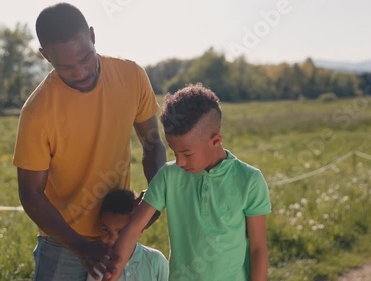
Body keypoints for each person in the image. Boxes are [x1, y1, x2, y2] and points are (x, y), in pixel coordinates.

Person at [12, 3, 166, 281]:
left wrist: (154, 199)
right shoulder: (37, 112)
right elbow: (30, 193)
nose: (81, 72)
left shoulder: (131, 76)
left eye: (85, 58)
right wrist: (80, 246)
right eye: (66, 67)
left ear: (93, 36)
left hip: (117, 233)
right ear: (45, 56)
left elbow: (153, 143)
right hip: (62, 242)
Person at [110, 84, 272, 281]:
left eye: (187, 153)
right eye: (174, 151)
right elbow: (132, 231)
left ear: (216, 141)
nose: (179, 161)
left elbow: (258, 249)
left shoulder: (249, 180)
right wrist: (112, 275)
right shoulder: (168, 176)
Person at [87, 189, 168, 281]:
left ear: (138, 230)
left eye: (121, 232)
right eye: (106, 230)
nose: (112, 239)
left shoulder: (155, 260)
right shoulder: (98, 267)